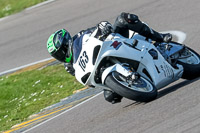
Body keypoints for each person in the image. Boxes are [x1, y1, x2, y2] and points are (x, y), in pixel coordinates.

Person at [47, 12, 172, 104]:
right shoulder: (69, 67)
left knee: (123, 19)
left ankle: (159, 37)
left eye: (61, 52)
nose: (61, 56)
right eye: (57, 55)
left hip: (113, 44)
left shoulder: (80, 37)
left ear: (66, 43)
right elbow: (89, 82)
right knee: (110, 97)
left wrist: (104, 27)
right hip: (103, 69)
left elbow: (96, 30)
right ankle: (136, 82)